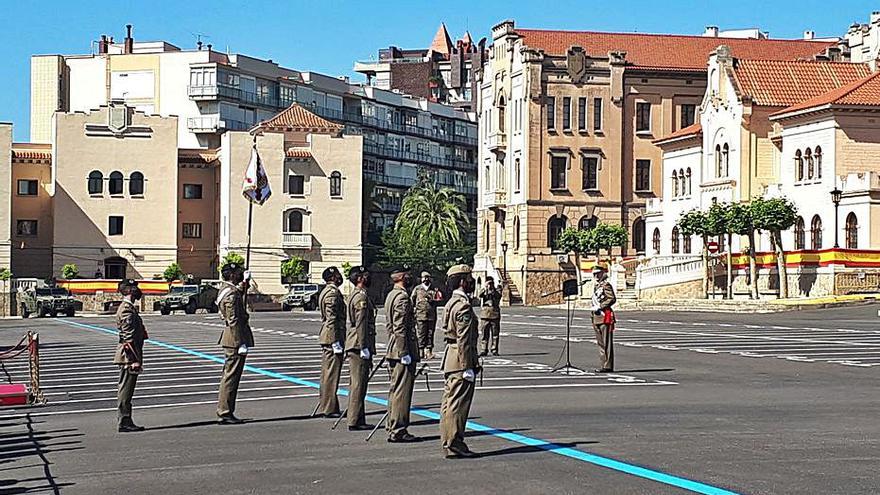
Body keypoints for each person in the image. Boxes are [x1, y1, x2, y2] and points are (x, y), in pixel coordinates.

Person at [439, 264, 480, 458]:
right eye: (470, 278)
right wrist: (467, 366)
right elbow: (464, 338)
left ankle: (448, 441)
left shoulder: (451, 303)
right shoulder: (462, 305)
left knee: (449, 403)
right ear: (463, 281)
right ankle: (454, 442)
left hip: (451, 357)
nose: (472, 282)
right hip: (459, 359)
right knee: (457, 405)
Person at [384, 268, 420, 443]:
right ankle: (398, 429)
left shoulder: (392, 295)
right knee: (402, 392)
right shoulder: (402, 297)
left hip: (394, 348)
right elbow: (399, 327)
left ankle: (392, 424)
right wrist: (404, 351)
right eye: (408, 276)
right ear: (402, 278)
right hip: (401, 350)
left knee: (395, 389)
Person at [215, 262, 255, 424]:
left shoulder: (227, 290)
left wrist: (245, 284)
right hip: (234, 338)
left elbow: (238, 294)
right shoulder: (230, 294)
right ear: (231, 275)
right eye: (238, 273)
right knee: (231, 377)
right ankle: (224, 412)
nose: (239, 275)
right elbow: (234, 320)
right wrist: (240, 342)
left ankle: (226, 410)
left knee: (231, 376)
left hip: (232, 337)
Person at [345, 266, 376, 431]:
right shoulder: (360, 298)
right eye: (365, 275)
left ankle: (358, 417)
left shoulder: (357, 295)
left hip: (356, 343)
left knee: (359, 383)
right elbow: (361, 324)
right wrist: (364, 346)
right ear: (359, 278)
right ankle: (354, 420)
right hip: (358, 344)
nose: (368, 277)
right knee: (358, 384)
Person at [114, 279, 147, 433]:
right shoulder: (126, 310)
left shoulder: (130, 308)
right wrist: (134, 360)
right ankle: (124, 419)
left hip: (130, 353)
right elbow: (128, 338)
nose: (136, 290)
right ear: (127, 290)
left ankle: (126, 418)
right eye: (133, 288)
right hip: (128, 355)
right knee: (126, 388)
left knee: (128, 387)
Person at [316, 266, 345, 418]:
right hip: (332, 336)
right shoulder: (332, 293)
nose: (341, 278)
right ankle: (329, 408)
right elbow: (331, 318)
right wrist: (335, 341)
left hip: (330, 335)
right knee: (330, 375)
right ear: (333, 278)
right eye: (338, 275)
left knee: (328, 374)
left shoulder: (327, 291)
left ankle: (328, 405)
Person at [590, 263, 617, 373]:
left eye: (597, 274)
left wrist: (600, 306)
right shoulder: (597, 286)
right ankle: (603, 364)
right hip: (596, 316)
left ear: (602, 273)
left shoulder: (606, 285)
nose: (596, 276)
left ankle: (608, 365)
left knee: (606, 343)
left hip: (604, 315)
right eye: (594, 274)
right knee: (601, 343)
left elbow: (611, 298)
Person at [410, 271, 438, 359]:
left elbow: (440, 299)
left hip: (431, 315)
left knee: (430, 333)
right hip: (420, 314)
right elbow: (412, 299)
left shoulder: (434, 289)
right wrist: (413, 309)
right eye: (424, 277)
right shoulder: (418, 288)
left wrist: (434, 299)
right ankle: (420, 351)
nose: (426, 279)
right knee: (421, 333)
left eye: (427, 277)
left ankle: (429, 351)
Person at [478, 276, 502, 356]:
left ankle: (494, 349)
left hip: (494, 314)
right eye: (489, 283)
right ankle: (483, 349)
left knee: (495, 334)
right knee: (484, 334)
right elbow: (479, 295)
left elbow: (498, 296)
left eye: (491, 283)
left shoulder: (497, 290)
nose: (490, 285)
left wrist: (492, 289)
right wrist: (485, 288)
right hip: (485, 315)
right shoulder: (484, 290)